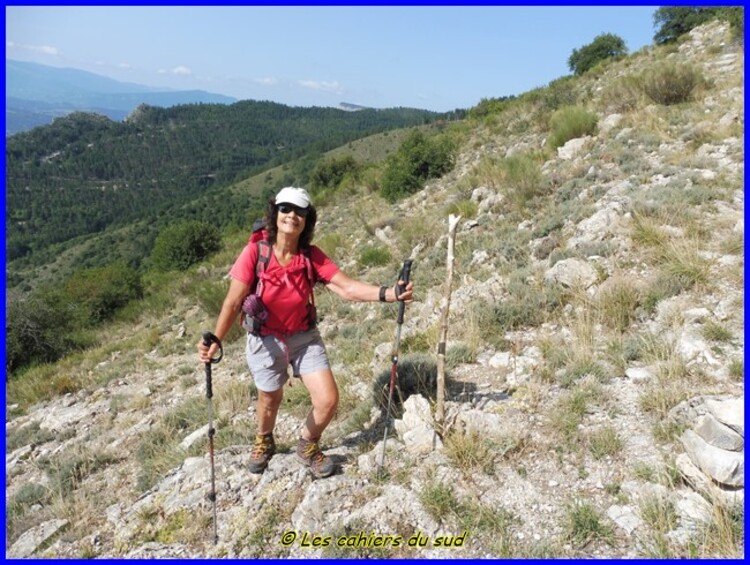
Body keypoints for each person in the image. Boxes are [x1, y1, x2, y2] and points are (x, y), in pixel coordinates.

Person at [197, 186, 414, 478]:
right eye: (286, 209)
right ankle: (264, 439)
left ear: (307, 220)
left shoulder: (310, 256)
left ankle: (307, 445)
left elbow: (346, 288)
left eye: (300, 211)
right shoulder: (255, 253)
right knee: (269, 399)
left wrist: (388, 293)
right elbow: (233, 301)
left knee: (328, 400)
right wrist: (216, 339)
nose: (292, 216)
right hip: (265, 338)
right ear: (275, 213)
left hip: (303, 336)